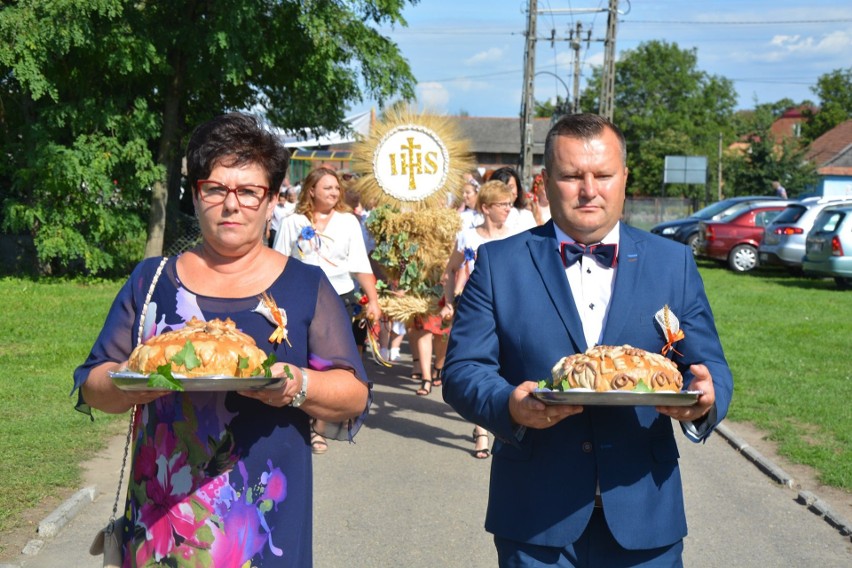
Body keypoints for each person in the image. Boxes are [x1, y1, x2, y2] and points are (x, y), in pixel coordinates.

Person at [73, 112, 371, 567]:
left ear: (272, 201)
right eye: (215, 189)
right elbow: (94, 384)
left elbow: (352, 395)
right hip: (163, 522)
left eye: (249, 192)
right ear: (196, 196)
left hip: (264, 525)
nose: (231, 205)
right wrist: (131, 382)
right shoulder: (152, 281)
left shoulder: (304, 286)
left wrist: (295, 383)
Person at [442, 113, 733, 567]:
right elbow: (463, 371)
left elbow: (710, 367)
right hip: (536, 521)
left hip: (645, 517)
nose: (589, 189)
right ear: (543, 182)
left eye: (603, 175)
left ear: (624, 178)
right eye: (572, 175)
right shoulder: (499, 265)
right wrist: (509, 406)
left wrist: (705, 400)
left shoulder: (672, 263)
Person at [274, 166, 381, 454]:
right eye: (327, 188)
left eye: (336, 188)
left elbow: (360, 264)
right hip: (299, 298)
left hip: (339, 298)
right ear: (311, 190)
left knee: (328, 365)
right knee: (303, 360)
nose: (334, 193)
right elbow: (277, 263)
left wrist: (373, 300)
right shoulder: (291, 222)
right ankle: (301, 420)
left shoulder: (348, 222)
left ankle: (319, 427)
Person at [440, 179, 514, 458]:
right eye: (502, 204)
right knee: (478, 365)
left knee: (504, 364)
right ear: (485, 207)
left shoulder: (516, 234)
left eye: (509, 203)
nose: (508, 208)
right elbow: (451, 268)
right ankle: (482, 432)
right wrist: (448, 301)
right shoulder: (468, 236)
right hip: (474, 308)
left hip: (508, 307)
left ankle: (499, 419)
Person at [490, 166, 537, 233]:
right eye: (502, 187)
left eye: (510, 187)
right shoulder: (486, 215)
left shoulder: (526, 216)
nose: (507, 191)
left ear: (517, 189)